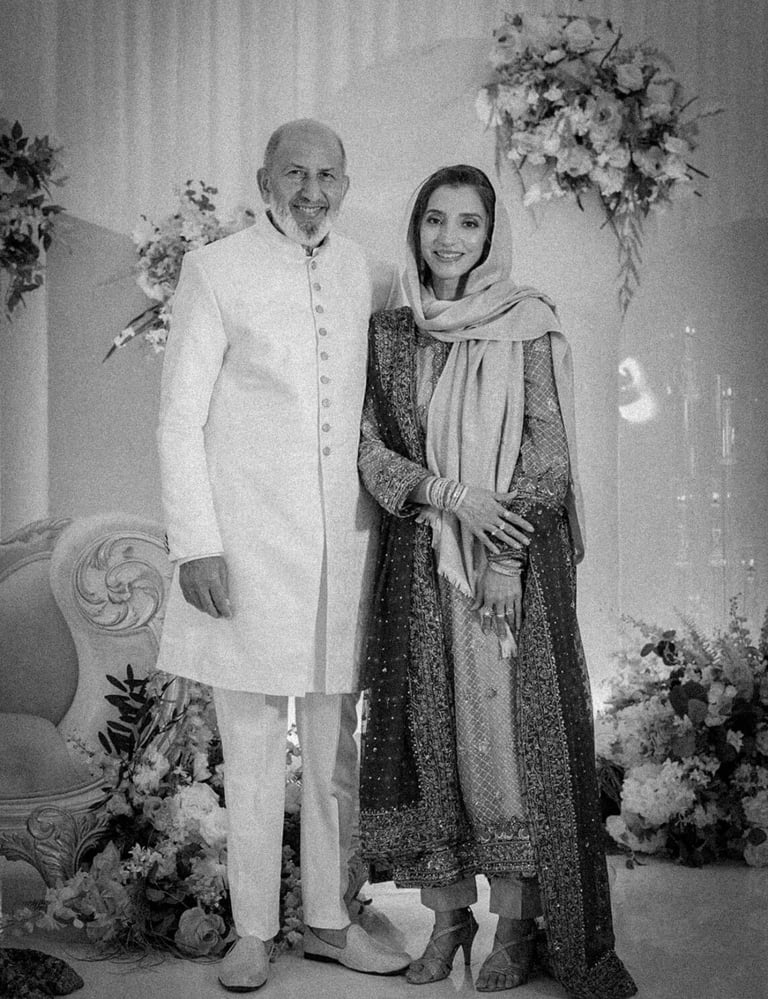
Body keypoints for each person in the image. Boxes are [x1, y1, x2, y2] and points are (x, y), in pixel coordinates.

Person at [357, 165, 638, 998]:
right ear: (416, 229)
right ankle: (449, 920)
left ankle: (515, 926)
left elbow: (548, 453)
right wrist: (450, 495)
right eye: (435, 220)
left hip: (504, 571)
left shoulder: (527, 324)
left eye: (469, 223)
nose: (449, 238)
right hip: (419, 566)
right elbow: (369, 448)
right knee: (429, 744)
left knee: (506, 750)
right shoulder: (391, 333)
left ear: (491, 235)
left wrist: (506, 556)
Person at [156, 118, 409, 992]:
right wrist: (196, 544)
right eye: (294, 173)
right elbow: (179, 418)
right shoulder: (216, 268)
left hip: (347, 550)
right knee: (254, 743)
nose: (311, 190)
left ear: (346, 184)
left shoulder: (370, 273)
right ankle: (254, 930)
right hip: (247, 547)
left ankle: (331, 920)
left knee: (337, 747)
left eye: (327, 174)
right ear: (264, 181)